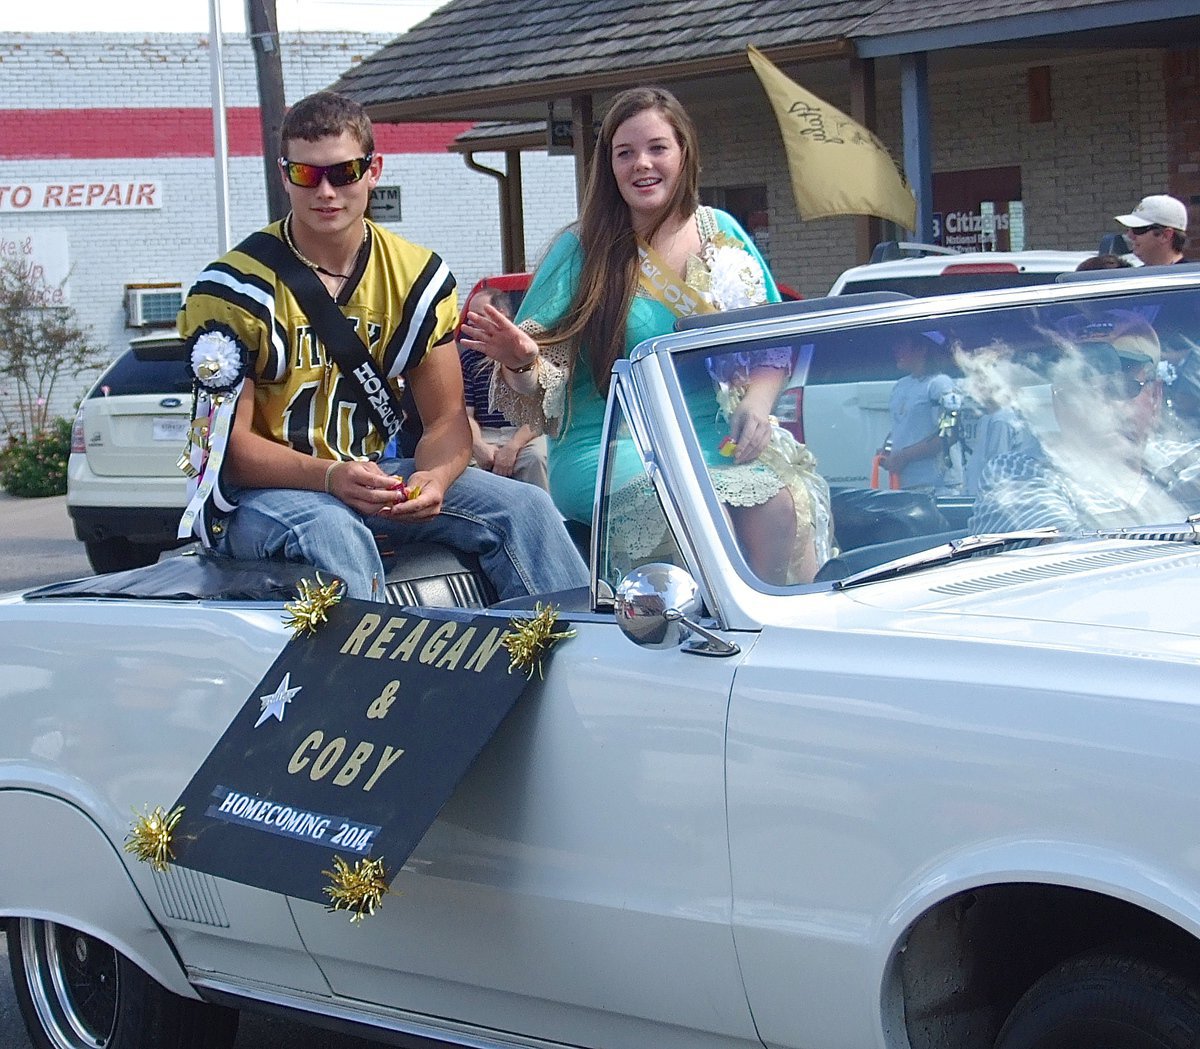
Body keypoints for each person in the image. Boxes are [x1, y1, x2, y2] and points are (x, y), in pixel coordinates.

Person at [175, 90, 587, 602]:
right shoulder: (230, 290)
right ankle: (370, 682)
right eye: (306, 174)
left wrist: (434, 478)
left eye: (344, 172)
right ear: (284, 175)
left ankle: (572, 663)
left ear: (373, 170)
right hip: (262, 499)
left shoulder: (417, 276)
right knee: (332, 532)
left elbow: (445, 420)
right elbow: (225, 452)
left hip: (369, 478)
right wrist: (328, 476)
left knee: (527, 508)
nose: (326, 191)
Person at [460, 86, 831, 585]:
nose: (642, 164)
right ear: (608, 166)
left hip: (710, 436)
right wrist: (521, 361)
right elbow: (538, 384)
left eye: (657, 148)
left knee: (781, 505)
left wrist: (758, 404)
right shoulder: (582, 250)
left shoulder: (721, 233)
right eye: (625, 153)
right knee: (703, 520)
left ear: (684, 151)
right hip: (613, 442)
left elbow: (769, 340)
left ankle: (759, 637)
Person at [968, 311, 1200, 534]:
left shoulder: (1181, 462)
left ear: (1156, 397)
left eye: (1125, 387)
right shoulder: (1018, 473)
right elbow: (1067, 555)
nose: (1106, 407)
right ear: (1055, 403)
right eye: (1081, 391)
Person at [458, 287, 548, 489]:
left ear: (502, 316)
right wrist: (479, 445)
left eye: (479, 316)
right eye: (469, 317)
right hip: (485, 435)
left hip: (524, 435)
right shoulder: (468, 359)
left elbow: (542, 412)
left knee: (537, 458)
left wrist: (513, 447)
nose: (471, 322)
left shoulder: (531, 353)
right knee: (460, 465)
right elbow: (466, 414)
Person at [878, 332, 960, 493]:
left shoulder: (940, 384)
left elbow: (949, 433)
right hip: (906, 485)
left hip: (938, 486)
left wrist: (904, 456)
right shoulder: (901, 386)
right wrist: (887, 451)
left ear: (922, 348)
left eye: (902, 344)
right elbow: (899, 427)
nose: (896, 350)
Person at [1114, 194, 1190, 266]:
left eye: (1138, 229)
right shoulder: (1132, 277)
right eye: (1129, 229)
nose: (1130, 235)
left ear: (1165, 236)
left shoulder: (1190, 277)